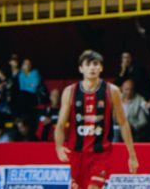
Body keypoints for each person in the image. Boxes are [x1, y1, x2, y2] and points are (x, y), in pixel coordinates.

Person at [55, 50, 138, 189]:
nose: (92, 68)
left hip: (101, 153)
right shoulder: (70, 91)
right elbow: (61, 124)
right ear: (81, 69)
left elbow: (123, 123)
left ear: (101, 68)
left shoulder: (112, 91)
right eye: (88, 64)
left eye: (95, 64)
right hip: (77, 153)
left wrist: (132, 155)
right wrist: (58, 146)